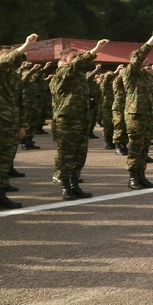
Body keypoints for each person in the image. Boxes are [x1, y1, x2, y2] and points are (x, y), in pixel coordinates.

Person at [0, 33, 38, 213]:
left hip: (11, 122)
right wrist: (25, 45)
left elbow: (19, 102)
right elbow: (6, 61)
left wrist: (22, 124)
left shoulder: (14, 77)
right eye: (8, 56)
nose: (13, 60)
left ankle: (1, 195)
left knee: (5, 161)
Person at [50, 39, 109, 200]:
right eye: (73, 57)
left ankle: (75, 185)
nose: (77, 59)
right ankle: (65, 187)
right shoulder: (62, 73)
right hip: (66, 119)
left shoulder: (79, 77)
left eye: (78, 56)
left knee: (79, 154)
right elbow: (75, 65)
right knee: (66, 155)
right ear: (64, 60)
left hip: (81, 119)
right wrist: (95, 49)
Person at [121, 29, 153, 187]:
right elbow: (139, 56)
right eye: (143, 58)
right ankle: (133, 177)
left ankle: (141, 175)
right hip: (136, 115)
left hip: (147, 115)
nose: (146, 60)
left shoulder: (147, 76)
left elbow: (152, 97)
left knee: (145, 145)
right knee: (136, 145)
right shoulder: (129, 73)